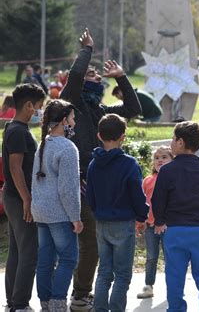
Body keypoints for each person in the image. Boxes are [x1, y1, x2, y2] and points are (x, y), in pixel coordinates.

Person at [60, 28, 141, 311]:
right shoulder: (72, 104)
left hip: (97, 185)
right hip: (77, 182)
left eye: (97, 75)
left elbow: (133, 106)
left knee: (92, 243)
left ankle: (80, 293)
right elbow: (73, 79)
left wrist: (120, 76)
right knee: (87, 244)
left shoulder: (103, 112)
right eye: (91, 75)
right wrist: (87, 51)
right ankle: (79, 295)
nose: (95, 77)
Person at [152, 121, 199, 312]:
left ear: (181, 142)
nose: (171, 143)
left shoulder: (166, 171)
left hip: (175, 231)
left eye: (173, 139)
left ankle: (176, 309)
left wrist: (159, 221)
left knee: (174, 276)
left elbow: (158, 199)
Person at [86, 114, 148, 311]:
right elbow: (137, 194)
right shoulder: (129, 164)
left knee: (104, 271)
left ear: (99, 135)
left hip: (102, 222)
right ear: (123, 136)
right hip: (123, 222)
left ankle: (100, 308)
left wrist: (98, 212)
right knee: (122, 274)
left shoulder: (94, 164)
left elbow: (91, 196)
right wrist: (142, 215)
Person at [31, 99, 83, 311]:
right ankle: (58, 303)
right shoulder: (68, 148)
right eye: (72, 118)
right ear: (64, 120)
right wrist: (76, 217)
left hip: (41, 212)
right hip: (60, 214)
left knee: (45, 259)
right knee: (69, 258)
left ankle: (45, 304)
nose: (74, 122)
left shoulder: (43, 144)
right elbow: (68, 189)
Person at [2, 83, 46, 311]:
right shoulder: (18, 131)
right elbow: (15, 167)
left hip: (12, 195)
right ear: (29, 105)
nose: (40, 111)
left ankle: (13, 301)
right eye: (39, 106)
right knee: (29, 252)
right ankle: (20, 303)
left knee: (18, 252)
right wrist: (27, 199)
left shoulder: (14, 128)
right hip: (19, 197)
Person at [136, 145, 174, 299]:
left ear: (172, 160)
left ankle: (173, 286)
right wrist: (141, 222)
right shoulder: (148, 180)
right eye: (157, 158)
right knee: (151, 257)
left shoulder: (174, 179)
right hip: (150, 226)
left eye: (164, 157)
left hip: (168, 226)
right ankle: (148, 285)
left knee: (170, 256)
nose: (160, 160)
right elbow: (142, 203)